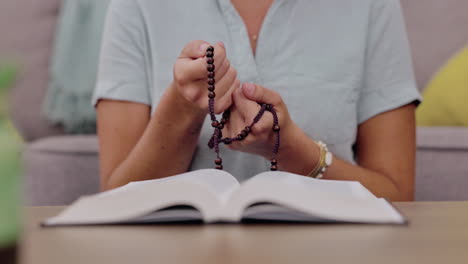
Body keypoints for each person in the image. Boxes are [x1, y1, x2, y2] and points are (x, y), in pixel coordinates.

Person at [93, 0, 421, 201]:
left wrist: (293, 149)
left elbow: (397, 197)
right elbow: (115, 200)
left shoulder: (373, 6)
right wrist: (181, 110)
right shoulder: (134, 6)